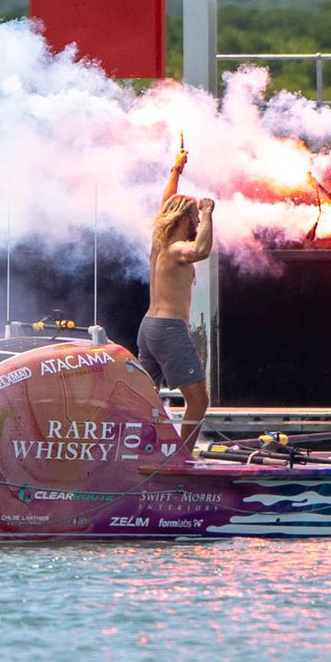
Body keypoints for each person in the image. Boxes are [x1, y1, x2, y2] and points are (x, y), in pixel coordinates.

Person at [139, 148, 215, 454]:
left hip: (149, 328)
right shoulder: (177, 249)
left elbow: (165, 204)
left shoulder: (160, 244)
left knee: (145, 398)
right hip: (169, 328)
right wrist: (209, 212)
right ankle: (183, 458)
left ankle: (143, 451)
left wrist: (176, 169)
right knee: (199, 399)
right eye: (195, 216)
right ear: (185, 218)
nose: (198, 220)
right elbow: (202, 250)